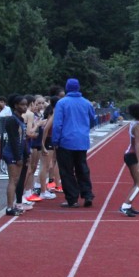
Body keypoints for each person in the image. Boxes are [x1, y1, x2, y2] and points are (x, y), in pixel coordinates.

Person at [52, 78, 98, 208]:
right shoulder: (87, 103)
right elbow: (93, 119)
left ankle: (72, 199)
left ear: (67, 88)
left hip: (66, 141)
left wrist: (55, 140)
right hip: (82, 140)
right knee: (82, 168)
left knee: (67, 171)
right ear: (78, 88)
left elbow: (57, 124)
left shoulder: (62, 103)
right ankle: (87, 194)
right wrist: (84, 129)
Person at [1, 94, 30, 216]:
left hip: (19, 152)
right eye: (22, 105)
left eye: (26, 105)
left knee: (16, 180)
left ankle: (13, 205)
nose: (25, 107)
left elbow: (23, 139)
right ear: (15, 105)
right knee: (13, 180)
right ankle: (9, 207)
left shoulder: (21, 119)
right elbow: (14, 139)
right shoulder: (12, 120)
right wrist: (18, 157)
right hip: (12, 153)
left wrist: (26, 153)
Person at [119, 103, 139, 217]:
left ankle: (128, 205)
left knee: (137, 182)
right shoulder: (138, 126)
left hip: (130, 155)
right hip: (132, 155)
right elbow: (137, 144)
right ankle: (125, 205)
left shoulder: (136, 123)